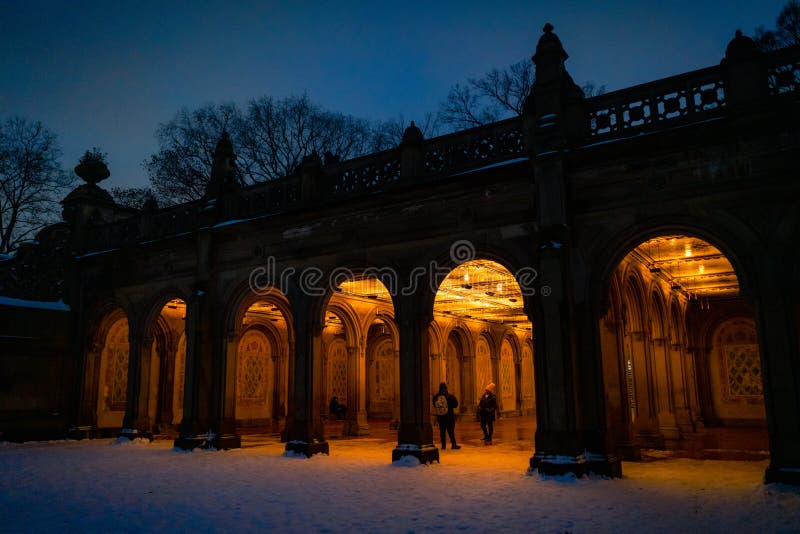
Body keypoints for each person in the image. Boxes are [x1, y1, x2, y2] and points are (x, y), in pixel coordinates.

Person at [432, 382, 461, 450]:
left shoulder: (436, 397)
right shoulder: (449, 396)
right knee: (451, 431)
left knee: (442, 431)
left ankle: (443, 446)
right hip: (449, 416)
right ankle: (453, 445)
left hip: (440, 417)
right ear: (446, 388)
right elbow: (455, 404)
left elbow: (434, 405)